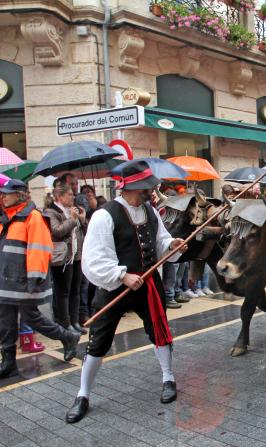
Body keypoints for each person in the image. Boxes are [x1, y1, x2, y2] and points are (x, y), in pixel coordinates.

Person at [66, 160, 187, 423]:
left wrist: (171, 245)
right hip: (114, 287)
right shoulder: (105, 215)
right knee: (98, 341)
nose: (151, 192)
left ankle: (168, 378)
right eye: (146, 188)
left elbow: (160, 240)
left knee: (159, 330)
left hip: (148, 285)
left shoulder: (150, 211)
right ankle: (83, 394)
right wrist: (122, 275)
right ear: (131, 188)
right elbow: (95, 258)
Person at [0, 180, 80, 379]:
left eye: (6, 193)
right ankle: (8, 362)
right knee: (5, 321)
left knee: (31, 317)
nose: (2, 196)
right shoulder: (7, 217)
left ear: (20, 195)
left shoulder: (33, 217)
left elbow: (40, 249)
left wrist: (34, 279)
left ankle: (68, 337)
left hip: (24, 281)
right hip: (7, 281)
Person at [43, 185, 87, 335]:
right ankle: (64, 323)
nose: (73, 197)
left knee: (76, 290)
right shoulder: (51, 212)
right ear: (59, 197)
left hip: (76, 255)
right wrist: (73, 219)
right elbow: (57, 231)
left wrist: (82, 220)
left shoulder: (73, 210)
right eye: (69, 195)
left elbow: (84, 231)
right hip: (62, 258)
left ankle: (74, 322)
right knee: (63, 292)